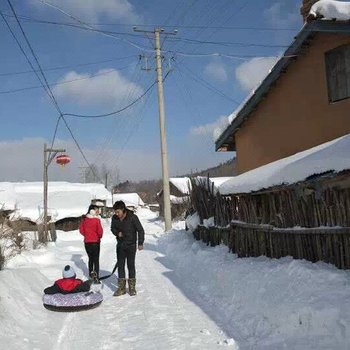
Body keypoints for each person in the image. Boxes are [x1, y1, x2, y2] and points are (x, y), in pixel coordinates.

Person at [111, 200, 145, 296]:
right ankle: (121, 288)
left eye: (118, 212)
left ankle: (132, 287)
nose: (116, 214)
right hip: (120, 245)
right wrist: (117, 233)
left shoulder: (132, 217)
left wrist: (140, 242)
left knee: (130, 265)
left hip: (131, 245)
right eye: (115, 212)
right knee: (120, 266)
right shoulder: (115, 218)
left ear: (123, 210)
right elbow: (112, 228)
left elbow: (140, 230)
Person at [79, 204, 103, 281]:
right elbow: (100, 232)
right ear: (92, 210)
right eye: (96, 209)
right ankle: (97, 276)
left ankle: (90, 275)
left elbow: (81, 230)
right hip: (95, 242)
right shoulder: (97, 220)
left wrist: (87, 235)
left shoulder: (84, 219)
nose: (97, 211)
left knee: (90, 259)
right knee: (96, 260)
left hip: (87, 242)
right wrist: (99, 236)